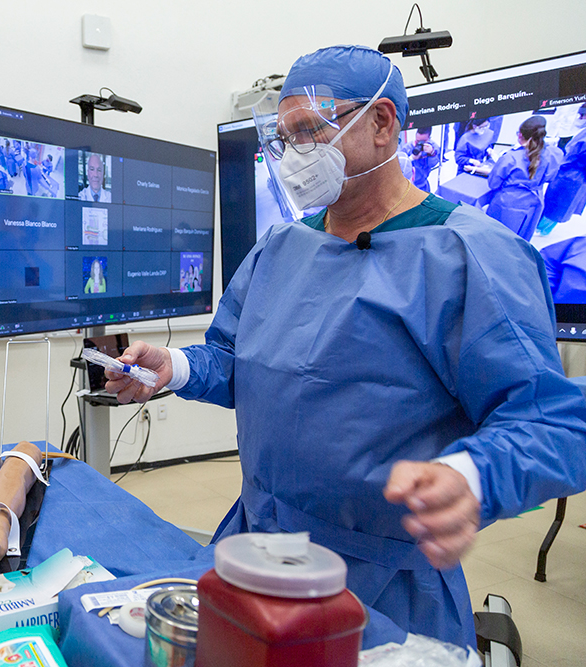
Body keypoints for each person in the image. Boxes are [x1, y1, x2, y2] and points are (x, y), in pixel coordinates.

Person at [106, 46, 586, 650]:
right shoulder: (280, 248)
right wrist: (172, 368)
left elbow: (552, 421)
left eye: (309, 131)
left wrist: (472, 475)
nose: (294, 156)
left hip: (382, 580)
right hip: (254, 543)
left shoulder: (468, 257)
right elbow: (236, 363)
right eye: (283, 139)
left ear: (383, 123)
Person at [484, 116, 562, 240]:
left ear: (520, 135)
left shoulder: (511, 158)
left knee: (498, 238)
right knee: (521, 239)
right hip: (534, 203)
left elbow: (494, 183)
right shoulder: (552, 154)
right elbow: (550, 177)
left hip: (508, 204)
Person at [539, 103, 586, 235]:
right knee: (553, 202)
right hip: (569, 173)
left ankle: (542, 229)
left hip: (573, 176)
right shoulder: (582, 132)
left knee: (559, 207)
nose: (581, 118)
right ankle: (542, 227)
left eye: (583, 116)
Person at [406, 126, 441, 192]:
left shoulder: (433, 147)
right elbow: (400, 166)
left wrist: (432, 153)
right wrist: (411, 158)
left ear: (429, 138)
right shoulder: (408, 147)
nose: (419, 144)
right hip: (408, 185)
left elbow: (433, 164)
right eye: (418, 141)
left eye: (423, 141)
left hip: (423, 185)